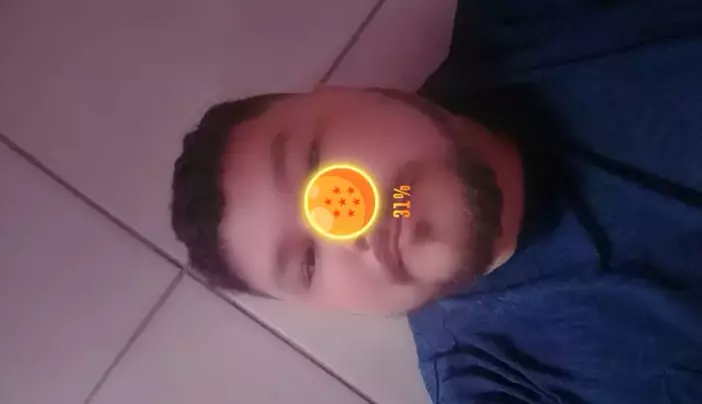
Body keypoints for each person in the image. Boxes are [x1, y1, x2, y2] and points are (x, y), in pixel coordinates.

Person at [170, 0, 702, 402]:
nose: (345, 225)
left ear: (353, 95)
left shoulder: (533, 15)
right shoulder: (497, 383)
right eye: (308, 261)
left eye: (314, 163)